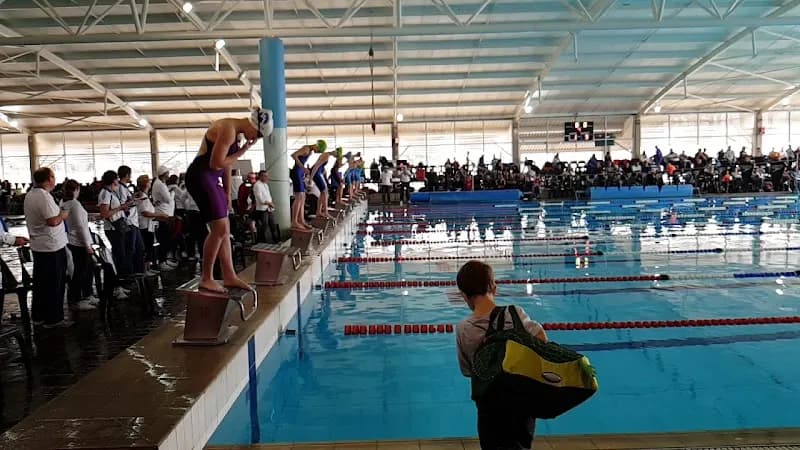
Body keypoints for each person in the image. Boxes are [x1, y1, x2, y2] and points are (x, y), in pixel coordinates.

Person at [455, 260, 547, 450]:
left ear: (464, 295)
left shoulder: (464, 329)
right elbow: (542, 339)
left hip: (489, 405)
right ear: (493, 287)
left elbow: (467, 370)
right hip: (522, 402)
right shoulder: (515, 314)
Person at [184, 107, 273, 293]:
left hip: (210, 179)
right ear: (253, 125)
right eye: (257, 135)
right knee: (219, 229)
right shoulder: (227, 130)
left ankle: (229, 275)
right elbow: (216, 163)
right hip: (201, 177)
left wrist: (226, 190)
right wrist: (243, 150)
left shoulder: (236, 133)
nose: (254, 139)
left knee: (225, 229)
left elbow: (227, 164)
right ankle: (206, 278)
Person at [24, 167, 71, 328]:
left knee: (41, 283)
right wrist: (63, 215)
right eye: (53, 176)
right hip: (52, 247)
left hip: (39, 246)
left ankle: (38, 316)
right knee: (54, 284)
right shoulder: (43, 197)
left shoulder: (30, 195)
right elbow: (52, 221)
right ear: (49, 179)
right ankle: (53, 319)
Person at [60, 179, 98, 311]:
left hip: (72, 241)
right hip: (79, 242)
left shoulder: (64, 203)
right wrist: (87, 245)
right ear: (76, 190)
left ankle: (87, 294)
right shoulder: (74, 205)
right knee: (80, 271)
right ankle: (77, 299)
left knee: (87, 269)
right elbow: (80, 227)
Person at [135, 175, 173, 272]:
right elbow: (145, 212)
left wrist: (154, 205)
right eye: (149, 182)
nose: (150, 183)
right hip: (145, 226)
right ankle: (145, 270)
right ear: (146, 184)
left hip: (148, 225)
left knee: (149, 246)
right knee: (147, 247)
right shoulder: (142, 196)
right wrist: (160, 215)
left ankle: (148, 268)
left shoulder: (145, 196)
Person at [289, 140, 326, 230]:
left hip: (300, 173)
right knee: (299, 196)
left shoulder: (309, 151)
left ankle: (301, 220)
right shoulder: (306, 149)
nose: (317, 152)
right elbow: (293, 155)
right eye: (318, 150)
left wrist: (303, 171)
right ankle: (294, 221)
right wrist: (303, 168)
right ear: (316, 146)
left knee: (303, 197)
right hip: (296, 172)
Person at [118, 165, 145, 274]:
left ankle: (139, 271)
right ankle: (129, 273)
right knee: (131, 249)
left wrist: (134, 197)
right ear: (127, 175)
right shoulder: (121, 188)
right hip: (129, 222)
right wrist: (136, 202)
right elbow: (124, 205)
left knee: (139, 248)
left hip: (133, 222)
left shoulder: (124, 187)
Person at [152, 165, 177, 267]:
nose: (169, 175)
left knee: (166, 239)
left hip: (165, 213)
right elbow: (168, 199)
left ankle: (164, 260)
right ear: (164, 174)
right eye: (167, 173)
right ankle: (162, 262)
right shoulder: (160, 185)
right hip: (163, 215)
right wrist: (173, 193)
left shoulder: (161, 183)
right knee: (164, 239)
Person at [252, 170, 279, 243]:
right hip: (262, 209)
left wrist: (270, 203)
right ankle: (260, 241)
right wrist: (269, 203)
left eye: (267, 176)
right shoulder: (257, 185)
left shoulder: (265, 185)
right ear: (260, 176)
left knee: (272, 225)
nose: (267, 177)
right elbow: (260, 198)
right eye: (265, 176)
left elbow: (268, 196)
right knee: (264, 226)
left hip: (268, 208)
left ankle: (276, 240)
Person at [309, 148, 335, 219]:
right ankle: (325, 212)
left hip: (319, 173)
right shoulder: (326, 155)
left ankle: (319, 212)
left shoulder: (327, 155)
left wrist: (323, 172)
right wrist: (311, 178)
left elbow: (320, 166)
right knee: (324, 192)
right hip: (316, 173)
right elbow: (316, 166)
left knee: (324, 192)